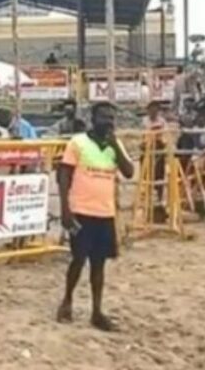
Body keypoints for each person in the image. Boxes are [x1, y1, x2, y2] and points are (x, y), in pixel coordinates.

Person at [56, 102, 134, 331]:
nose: (108, 122)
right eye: (103, 117)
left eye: (111, 118)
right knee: (78, 259)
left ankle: (97, 312)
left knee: (99, 264)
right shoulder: (77, 142)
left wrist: (115, 146)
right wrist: (65, 209)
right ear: (93, 118)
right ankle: (67, 300)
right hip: (81, 211)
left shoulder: (115, 145)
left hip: (105, 212)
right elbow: (64, 176)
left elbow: (129, 172)